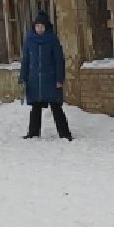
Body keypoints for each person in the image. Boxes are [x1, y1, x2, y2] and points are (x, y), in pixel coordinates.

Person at [20, 8, 72, 141]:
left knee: (56, 107)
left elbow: (59, 60)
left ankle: (65, 134)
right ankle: (33, 133)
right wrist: (23, 77)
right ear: (34, 27)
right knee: (35, 108)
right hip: (34, 80)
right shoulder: (29, 40)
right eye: (37, 26)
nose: (40, 29)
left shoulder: (53, 40)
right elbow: (25, 60)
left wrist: (59, 79)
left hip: (51, 79)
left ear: (46, 27)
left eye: (42, 26)